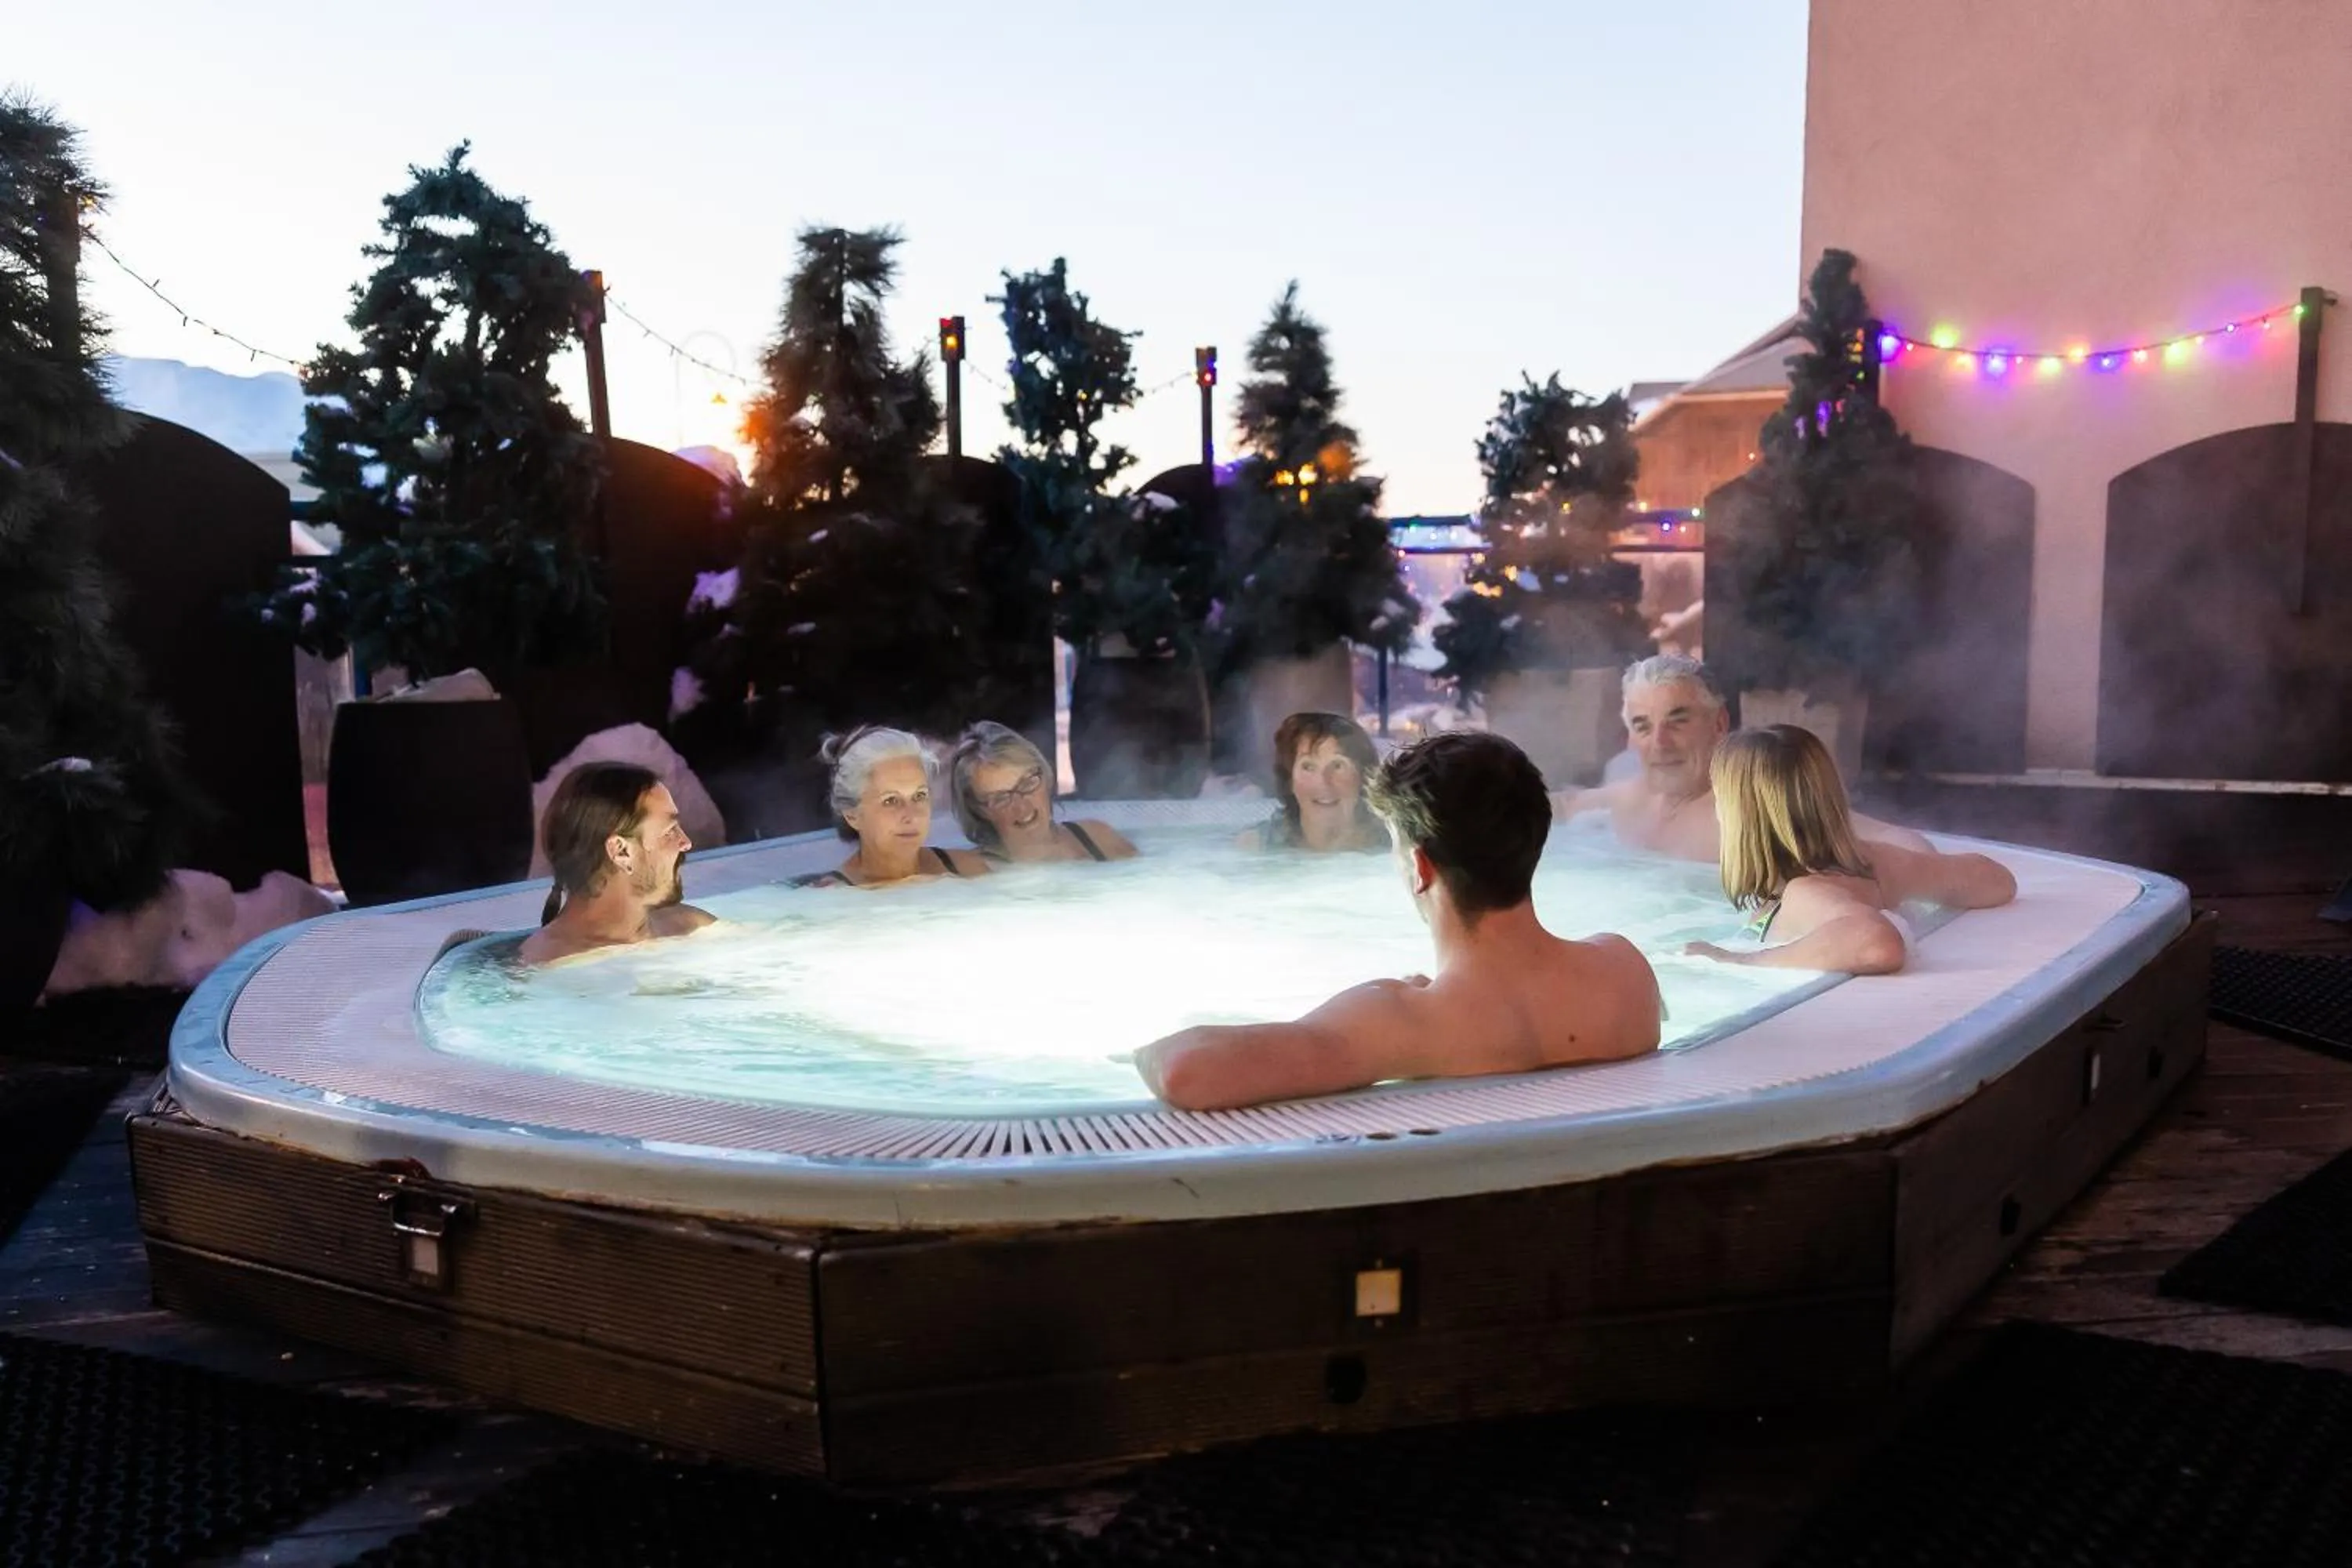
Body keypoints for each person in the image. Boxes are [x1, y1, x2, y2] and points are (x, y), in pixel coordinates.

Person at [1136, 731, 1661, 1111]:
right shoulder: (1624, 969)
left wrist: (1137, 1055)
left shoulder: (1407, 1022)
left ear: (1420, 866)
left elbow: (1187, 1070)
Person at [1684, 725, 2016, 975]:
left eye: (1718, 797)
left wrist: (1742, 960)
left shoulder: (1804, 893)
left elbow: (1878, 943)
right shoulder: (1874, 861)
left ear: (1740, 816)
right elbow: (1996, 880)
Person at [1552, 653, 1932, 861]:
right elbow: (1560, 807)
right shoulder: (1625, 801)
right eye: (1643, 726)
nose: (1660, 743)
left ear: (1719, 724)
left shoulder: (1753, 806)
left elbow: (1896, 840)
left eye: (1677, 721)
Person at [518, 762, 716, 965]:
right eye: (670, 831)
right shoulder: (554, 966)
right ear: (621, 852)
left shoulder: (692, 927)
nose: (686, 843)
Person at [793, 726, 990, 889]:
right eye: (891, 801)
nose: (911, 815)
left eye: (919, 796)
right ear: (852, 815)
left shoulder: (969, 870)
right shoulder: (834, 899)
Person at [947, 720, 1137, 865]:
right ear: (979, 810)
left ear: (1045, 776)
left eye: (1027, 784)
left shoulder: (1097, 837)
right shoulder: (975, 872)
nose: (1022, 807)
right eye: (1001, 798)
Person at [1236, 711, 1386, 854]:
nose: (1323, 782)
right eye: (1308, 767)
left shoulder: (1392, 846)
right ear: (1290, 781)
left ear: (1363, 778)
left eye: (1337, 766)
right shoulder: (1255, 846)